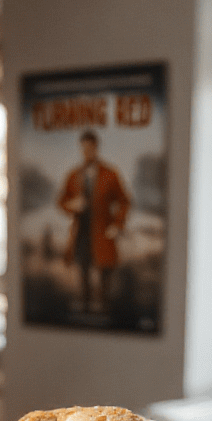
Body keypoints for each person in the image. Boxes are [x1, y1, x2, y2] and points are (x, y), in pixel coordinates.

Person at [57, 130, 131, 312]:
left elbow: (124, 201)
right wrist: (72, 205)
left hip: (102, 230)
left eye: (90, 148)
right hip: (81, 232)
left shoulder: (110, 174)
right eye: (83, 149)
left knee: (105, 270)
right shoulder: (74, 175)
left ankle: (105, 307)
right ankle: (85, 307)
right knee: (83, 270)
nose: (86, 152)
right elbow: (61, 202)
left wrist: (117, 224)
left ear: (96, 148)